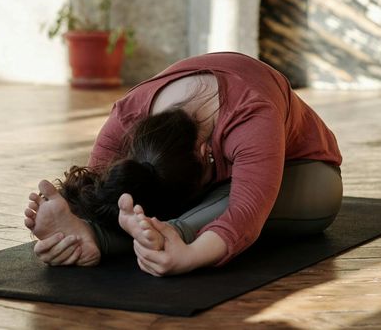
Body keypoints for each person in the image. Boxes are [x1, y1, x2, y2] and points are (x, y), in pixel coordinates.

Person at [23, 52, 343, 276]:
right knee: (144, 195)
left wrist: (189, 256)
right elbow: (105, 190)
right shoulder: (129, 114)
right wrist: (75, 231)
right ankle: (100, 236)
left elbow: (245, 214)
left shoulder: (251, 116)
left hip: (308, 175)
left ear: (205, 152)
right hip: (209, 191)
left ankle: (168, 235)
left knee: (230, 195)